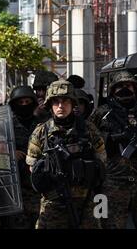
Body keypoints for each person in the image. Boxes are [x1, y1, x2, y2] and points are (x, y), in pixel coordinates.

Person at [27, 80, 106, 229]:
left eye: (65, 101)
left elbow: (101, 159)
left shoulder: (89, 129)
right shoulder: (41, 132)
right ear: (50, 105)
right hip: (53, 200)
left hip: (86, 199)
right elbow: (32, 168)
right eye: (56, 102)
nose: (61, 106)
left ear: (73, 104)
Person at [89, 71, 137, 228]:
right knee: (112, 223)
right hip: (113, 178)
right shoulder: (101, 112)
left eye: (128, 85)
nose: (125, 89)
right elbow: (88, 137)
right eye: (120, 86)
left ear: (135, 88)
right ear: (113, 90)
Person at [1, 85, 40, 229]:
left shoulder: (42, 125)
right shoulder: (4, 125)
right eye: (20, 102)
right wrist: (10, 153)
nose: (24, 105)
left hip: (37, 188)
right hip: (13, 189)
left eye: (27, 102)